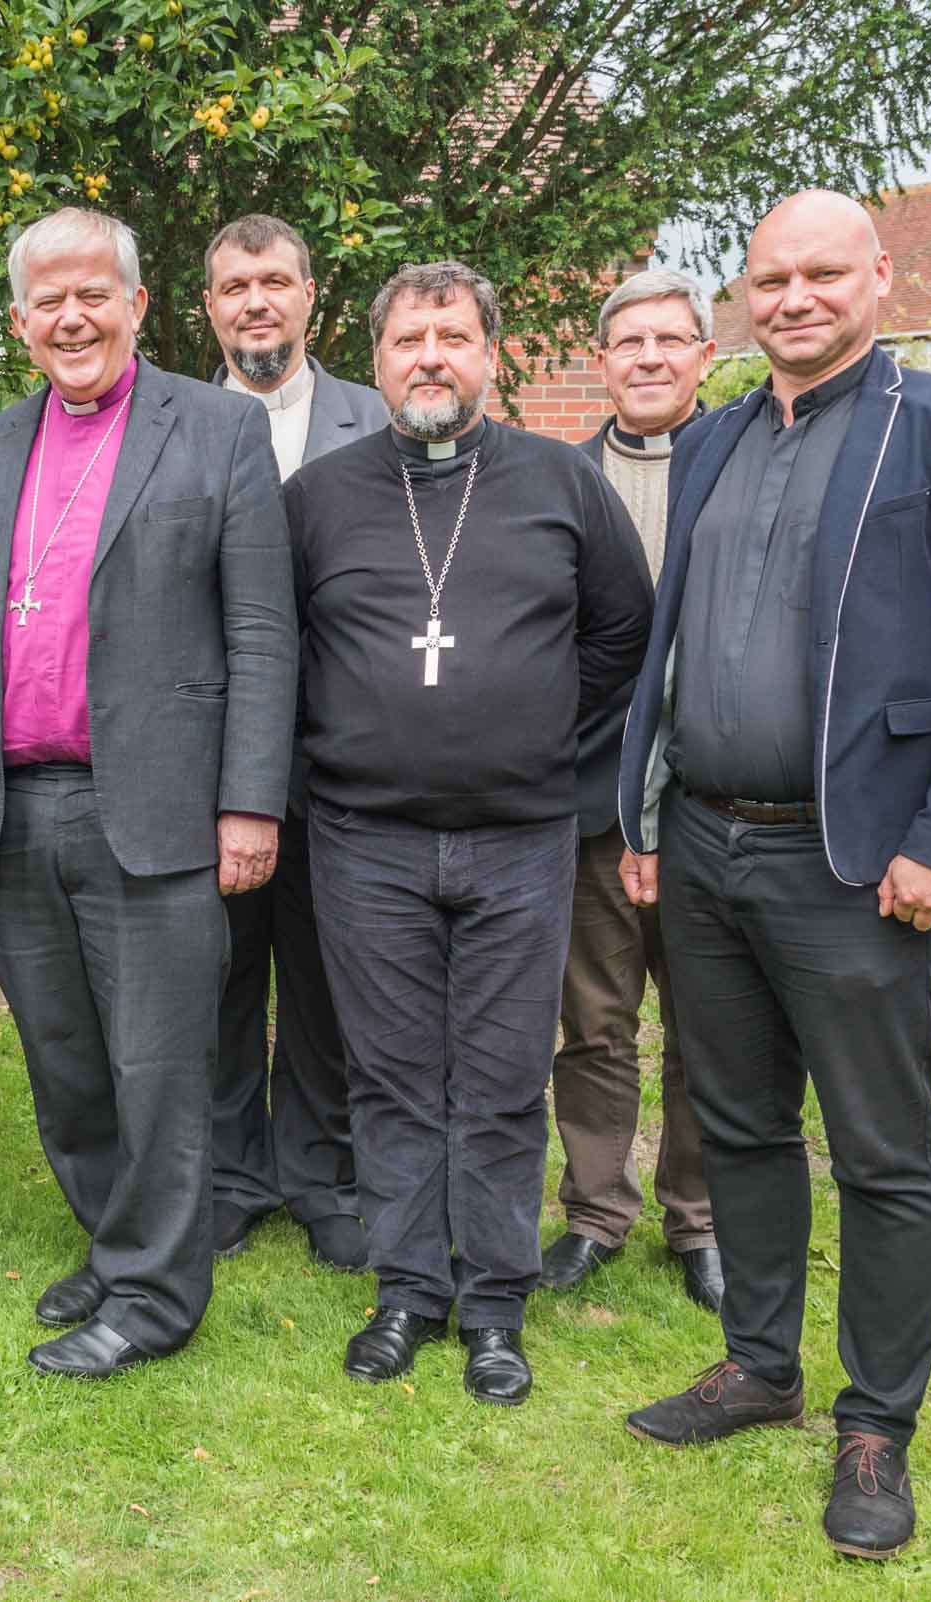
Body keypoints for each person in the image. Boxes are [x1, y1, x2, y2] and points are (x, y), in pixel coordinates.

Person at [619, 192, 931, 1560]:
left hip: (852, 859)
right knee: (734, 1120)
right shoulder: (721, 438)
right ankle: (759, 1362)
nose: (794, 298)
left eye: (821, 273)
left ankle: (877, 1424)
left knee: (882, 1150)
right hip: (702, 841)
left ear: (879, 275)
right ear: (743, 298)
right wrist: (644, 805)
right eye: (770, 278)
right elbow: (671, 645)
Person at [0, 207, 295, 1379]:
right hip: (11, 807)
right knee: (65, 1062)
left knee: (159, 1066)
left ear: (138, 305)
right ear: (22, 321)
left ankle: (153, 1297)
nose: (71, 317)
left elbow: (262, 632)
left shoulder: (219, 429)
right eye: (47, 301)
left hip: (160, 806)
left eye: (95, 294)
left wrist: (250, 803)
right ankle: (119, 1239)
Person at [287, 262, 651, 1405]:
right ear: (379, 359)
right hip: (366, 839)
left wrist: (531, 729)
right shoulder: (324, 494)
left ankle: (495, 1303)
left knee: (497, 1079)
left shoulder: (561, 485)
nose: (430, 357)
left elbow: (619, 636)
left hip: (522, 836)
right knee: (391, 1075)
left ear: (493, 355)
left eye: (452, 336)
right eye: (407, 339)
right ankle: (406, 1289)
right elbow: (284, 649)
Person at [198, 211, 388, 1270]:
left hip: (343, 757)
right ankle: (230, 1172)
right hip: (210, 758)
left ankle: (320, 1171)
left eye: (274, 281)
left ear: (311, 294)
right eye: (234, 287)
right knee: (221, 975)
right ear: (211, 309)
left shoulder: (378, 418)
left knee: (325, 977)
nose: (256, 301)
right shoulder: (172, 422)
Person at [539, 267, 723, 1312]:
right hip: (593, 804)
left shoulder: (745, 462)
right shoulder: (559, 479)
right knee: (595, 1022)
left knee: (708, 1026)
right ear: (601, 362)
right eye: (628, 343)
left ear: (705, 355)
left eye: (670, 341)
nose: (648, 359)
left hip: (710, 806)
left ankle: (698, 1221)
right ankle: (597, 1211)